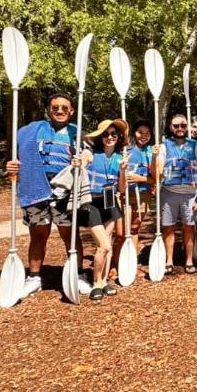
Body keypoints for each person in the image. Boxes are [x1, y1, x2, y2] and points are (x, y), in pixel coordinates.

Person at [5, 93, 93, 298]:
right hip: (36, 191)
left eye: (64, 107)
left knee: (70, 235)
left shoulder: (77, 132)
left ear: (71, 111)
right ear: (49, 110)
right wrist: (11, 166)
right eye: (55, 107)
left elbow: (89, 153)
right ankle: (34, 277)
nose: (60, 111)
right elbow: (16, 157)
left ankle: (78, 275)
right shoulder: (30, 131)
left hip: (64, 192)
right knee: (38, 235)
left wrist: (85, 160)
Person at [151, 114, 197, 274]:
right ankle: (169, 260)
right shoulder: (163, 147)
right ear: (170, 127)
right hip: (169, 193)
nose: (180, 128)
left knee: (189, 228)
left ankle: (189, 260)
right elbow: (157, 174)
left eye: (183, 125)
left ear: (187, 126)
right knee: (168, 228)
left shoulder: (196, 146)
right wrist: (154, 157)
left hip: (190, 195)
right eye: (176, 126)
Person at [80, 120, 129, 300]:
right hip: (92, 203)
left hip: (110, 203)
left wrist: (123, 170)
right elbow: (83, 161)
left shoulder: (119, 158)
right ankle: (96, 283)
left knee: (107, 244)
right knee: (104, 245)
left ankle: (104, 281)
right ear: (101, 137)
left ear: (118, 138)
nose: (110, 137)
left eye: (113, 135)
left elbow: (122, 190)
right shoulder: (92, 153)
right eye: (106, 134)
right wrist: (80, 162)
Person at [116, 120, 154, 275]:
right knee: (120, 233)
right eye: (140, 132)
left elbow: (157, 178)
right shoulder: (125, 150)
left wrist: (141, 179)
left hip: (144, 194)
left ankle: (131, 263)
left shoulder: (152, 152)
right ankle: (115, 264)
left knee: (134, 228)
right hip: (124, 195)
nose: (143, 136)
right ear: (134, 133)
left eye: (147, 133)